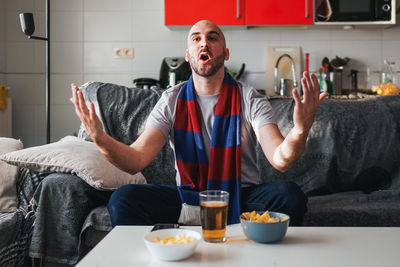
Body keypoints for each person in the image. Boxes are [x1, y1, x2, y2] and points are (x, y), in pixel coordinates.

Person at [71, 20, 328, 226]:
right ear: (188, 55)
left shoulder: (249, 97)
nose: (204, 42)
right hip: (187, 197)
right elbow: (136, 160)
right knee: (123, 200)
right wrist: (100, 138)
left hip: (241, 195)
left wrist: (300, 129)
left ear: (225, 53)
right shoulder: (170, 100)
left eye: (212, 37)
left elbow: (281, 160)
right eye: (196, 38)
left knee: (289, 196)